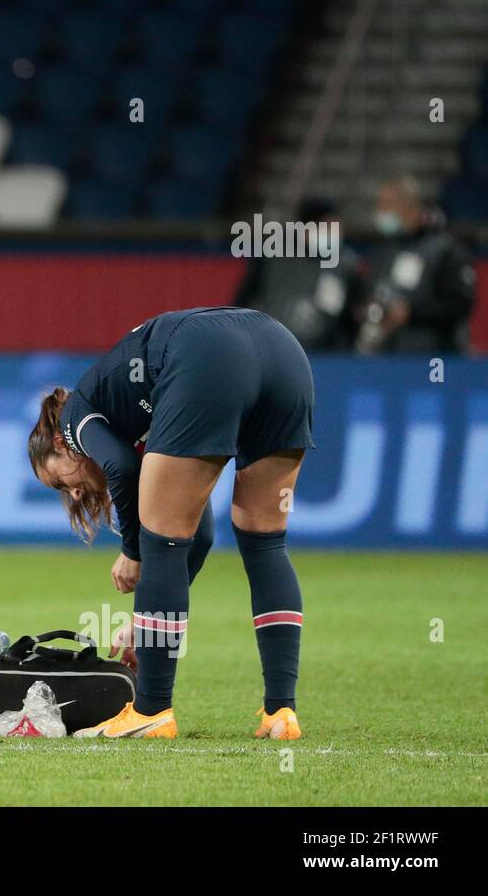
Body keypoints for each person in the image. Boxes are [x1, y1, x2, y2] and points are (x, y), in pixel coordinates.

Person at [28, 307, 314, 740]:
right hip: (282, 351)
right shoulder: (139, 421)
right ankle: (281, 713)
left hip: (207, 353)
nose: (74, 494)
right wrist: (147, 621)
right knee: (264, 540)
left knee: (160, 540)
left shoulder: (74, 418)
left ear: (58, 444)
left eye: (59, 481)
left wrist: (132, 551)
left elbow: (121, 467)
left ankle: (152, 711)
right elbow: (198, 533)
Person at [356, 176, 477, 354]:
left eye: (386, 204)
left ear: (411, 208)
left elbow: (460, 303)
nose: (380, 211)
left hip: (435, 357)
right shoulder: (383, 250)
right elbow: (370, 293)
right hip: (388, 357)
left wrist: (411, 313)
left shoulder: (446, 249)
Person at [233, 197, 364, 351]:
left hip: (325, 354)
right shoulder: (272, 256)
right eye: (328, 227)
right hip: (274, 348)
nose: (335, 234)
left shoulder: (346, 264)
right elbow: (243, 301)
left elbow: (351, 316)